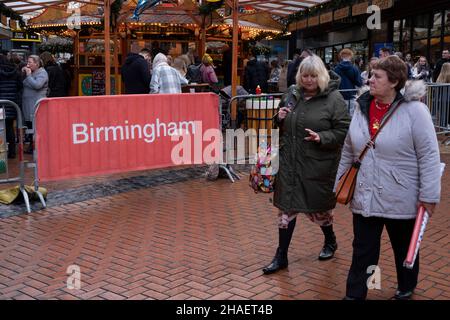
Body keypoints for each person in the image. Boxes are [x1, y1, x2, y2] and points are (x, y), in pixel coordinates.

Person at [336, 55, 441, 300]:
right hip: (365, 192)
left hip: (401, 194)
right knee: (362, 249)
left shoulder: (415, 111)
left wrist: (429, 195)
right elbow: (349, 149)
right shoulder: (362, 106)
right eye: (370, 75)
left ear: (394, 81)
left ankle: (406, 287)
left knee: (403, 246)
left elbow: (428, 156)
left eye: (376, 76)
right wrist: (340, 182)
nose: (369, 80)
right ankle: (354, 294)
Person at [262, 55, 351, 275]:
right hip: (290, 163)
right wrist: (279, 117)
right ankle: (281, 255)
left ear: (320, 76)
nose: (308, 80)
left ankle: (330, 241)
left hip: (317, 165)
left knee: (320, 212)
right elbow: (281, 125)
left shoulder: (334, 99)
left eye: (312, 75)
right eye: (305, 75)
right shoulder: (292, 94)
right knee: (285, 212)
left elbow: (343, 129)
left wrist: (322, 137)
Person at [22, 55, 48, 154]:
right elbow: (24, 83)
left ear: (37, 64)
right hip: (28, 105)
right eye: (27, 62)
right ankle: (32, 146)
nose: (27, 64)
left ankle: (38, 147)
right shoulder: (31, 72)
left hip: (36, 105)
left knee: (37, 127)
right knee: (30, 126)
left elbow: (37, 85)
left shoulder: (42, 73)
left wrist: (29, 75)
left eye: (30, 62)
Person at [0, 54, 23, 158]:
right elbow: (20, 87)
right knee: (9, 127)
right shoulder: (16, 72)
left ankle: (2, 150)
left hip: (1, 103)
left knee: (1, 127)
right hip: (12, 102)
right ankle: (12, 152)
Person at [334, 48, 362, 116]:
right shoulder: (354, 68)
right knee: (351, 115)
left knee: (341, 115)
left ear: (341, 56)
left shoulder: (336, 68)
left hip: (339, 95)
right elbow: (359, 83)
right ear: (350, 56)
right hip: (351, 95)